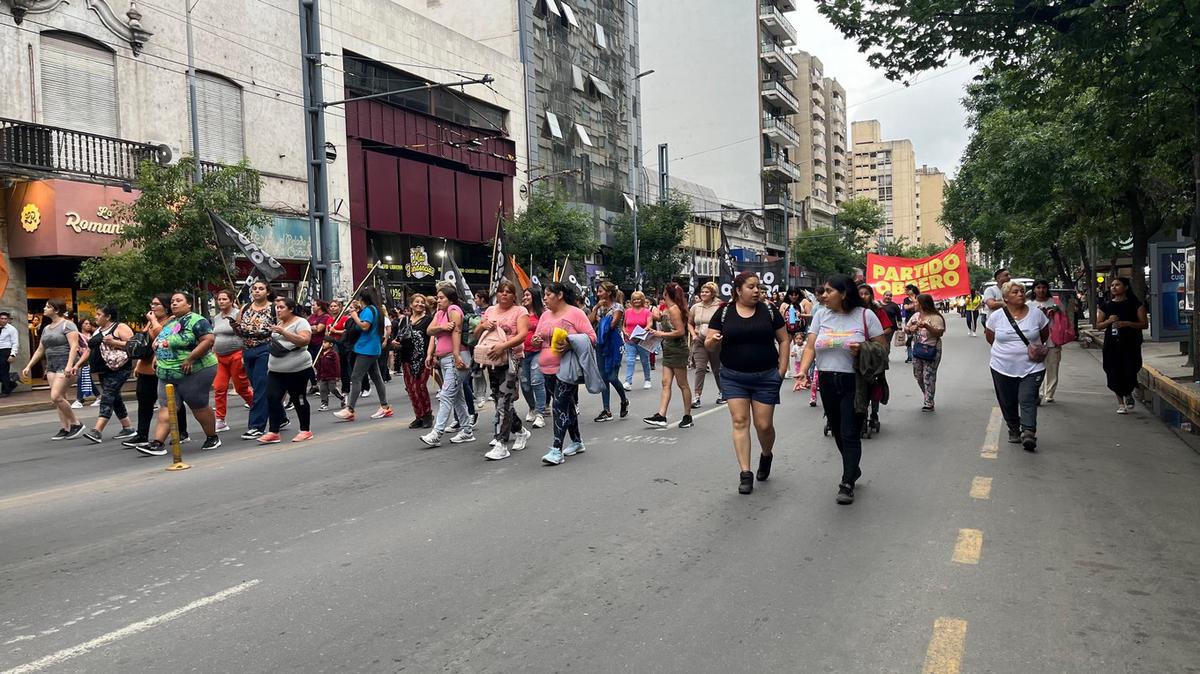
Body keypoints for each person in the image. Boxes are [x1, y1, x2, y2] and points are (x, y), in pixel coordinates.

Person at [795, 274, 886, 505]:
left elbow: (882, 348)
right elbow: (810, 347)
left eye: (828, 291)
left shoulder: (866, 315)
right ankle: (852, 467)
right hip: (826, 379)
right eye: (822, 292)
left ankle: (847, 482)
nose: (823, 295)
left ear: (844, 293)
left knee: (849, 431)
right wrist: (803, 372)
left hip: (854, 382)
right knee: (836, 429)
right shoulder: (821, 315)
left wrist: (863, 348)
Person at [706, 272, 788, 494]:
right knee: (740, 421)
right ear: (738, 290)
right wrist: (712, 341)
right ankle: (745, 473)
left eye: (758, 287)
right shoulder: (724, 313)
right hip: (733, 376)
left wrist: (781, 370)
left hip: (766, 377)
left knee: (763, 425)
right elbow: (709, 343)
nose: (756, 291)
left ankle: (766, 454)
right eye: (751, 287)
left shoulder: (769, 310)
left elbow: (784, 339)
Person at [135, 292, 222, 455]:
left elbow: (208, 340)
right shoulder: (173, 322)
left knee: (199, 406)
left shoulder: (197, 320)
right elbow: (167, 340)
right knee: (166, 407)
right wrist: (158, 357)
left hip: (195, 370)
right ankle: (157, 443)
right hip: (167, 372)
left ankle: (212, 437)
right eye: (173, 301)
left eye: (179, 301)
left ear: (189, 304)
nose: (174, 303)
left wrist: (190, 358)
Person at [533, 282, 596, 465]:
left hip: (567, 368)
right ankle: (577, 441)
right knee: (566, 405)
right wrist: (537, 340)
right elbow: (537, 338)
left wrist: (570, 343)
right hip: (546, 367)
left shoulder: (575, 313)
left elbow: (591, 338)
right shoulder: (545, 315)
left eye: (547, 294)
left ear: (559, 295)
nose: (544, 298)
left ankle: (556, 449)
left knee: (558, 405)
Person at [984, 280, 1050, 451]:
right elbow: (990, 337)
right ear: (1005, 298)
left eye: (1022, 291)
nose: (1020, 294)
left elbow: (1043, 335)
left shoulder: (1036, 314)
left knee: (1027, 398)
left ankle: (1028, 432)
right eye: (1015, 292)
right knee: (1007, 400)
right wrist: (1006, 353)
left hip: (1032, 366)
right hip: (1001, 366)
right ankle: (1014, 428)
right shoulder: (996, 316)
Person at [122, 295, 189, 447]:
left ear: (165, 307)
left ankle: (181, 432)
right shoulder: (150, 323)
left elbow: (163, 337)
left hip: (163, 367)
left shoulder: (173, 321)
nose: (153, 307)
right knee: (144, 401)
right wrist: (138, 363)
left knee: (172, 402)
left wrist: (153, 321)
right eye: (152, 303)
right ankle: (142, 434)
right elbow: (143, 343)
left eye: (157, 304)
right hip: (146, 367)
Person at [476, 280, 532, 460]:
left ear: (514, 296)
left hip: (511, 359)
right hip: (491, 360)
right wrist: (483, 326)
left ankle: (501, 443)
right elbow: (477, 333)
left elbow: (523, 335)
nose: (504, 294)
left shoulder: (520, 311)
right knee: (499, 399)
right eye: (501, 291)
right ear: (496, 294)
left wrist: (504, 346)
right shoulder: (490, 310)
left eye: (508, 292)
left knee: (504, 401)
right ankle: (520, 430)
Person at [419, 286, 476, 446]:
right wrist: (442, 328)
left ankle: (437, 433)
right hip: (445, 359)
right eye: (437, 298)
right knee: (457, 397)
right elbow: (430, 331)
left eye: (442, 297)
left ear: (450, 298)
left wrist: (457, 355)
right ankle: (467, 430)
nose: (438, 300)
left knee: (446, 395)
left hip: (455, 358)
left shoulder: (453, 309)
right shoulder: (439, 313)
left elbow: (456, 331)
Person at [22, 299, 85, 440]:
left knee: (55, 396)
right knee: (60, 398)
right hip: (51, 366)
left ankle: (76, 423)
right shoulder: (46, 328)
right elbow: (40, 349)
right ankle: (65, 427)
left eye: (47, 307)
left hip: (65, 365)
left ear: (56, 310)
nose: (44, 309)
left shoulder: (68, 325)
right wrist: (29, 365)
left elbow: (74, 346)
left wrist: (69, 365)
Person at [78, 305, 137, 444]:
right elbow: (88, 350)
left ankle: (97, 430)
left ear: (108, 316)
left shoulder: (120, 327)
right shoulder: (98, 330)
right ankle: (127, 427)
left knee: (107, 396)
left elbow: (134, 345)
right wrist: (76, 365)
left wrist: (114, 342)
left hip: (120, 369)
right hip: (104, 369)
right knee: (115, 397)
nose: (96, 317)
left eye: (99, 314)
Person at [259, 297, 314, 443]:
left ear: (291, 309)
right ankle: (273, 431)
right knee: (272, 398)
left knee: (298, 398)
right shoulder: (279, 323)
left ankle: (305, 429)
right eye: (277, 307)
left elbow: (304, 340)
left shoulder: (301, 322)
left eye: (281, 307)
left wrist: (284, 332)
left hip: (297, 369)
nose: (278, 309)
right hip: (276, 369)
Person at [334, 288, 392, 421]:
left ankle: (350, 409)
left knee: (356, 377)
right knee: (376, 377)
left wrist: (354, 316)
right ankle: (384, 406)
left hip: (366, 348)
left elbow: (364, 326)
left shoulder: (368, 310)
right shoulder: (376, 310)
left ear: (362, 299)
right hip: (372, 348)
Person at [642, 282, 694, 429]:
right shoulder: (668, 309)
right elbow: (663, 320)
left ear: (667, 294)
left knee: (682, 384)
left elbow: (680, 332)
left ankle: (687, 415)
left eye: (664, 292)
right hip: (669, 349)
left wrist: (661, 333)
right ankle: (661, 415)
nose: (662, 295)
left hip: (678, 349)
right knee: (666, 383)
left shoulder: (674, 309)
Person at [1097, 277, 1148, 414]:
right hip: (1112, 344)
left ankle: (1129, 391)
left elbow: (1144, 324)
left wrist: (1127, 324)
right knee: (1113, 371)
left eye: (1117, 285)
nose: (1113, 287)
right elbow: (1098, 325)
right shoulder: (1106, 306)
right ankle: (1121, 403)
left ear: (1125, 287)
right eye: (1112, 285)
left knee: (1130, 369)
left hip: (1130, 344)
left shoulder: (1135, 304)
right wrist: (1109, 321)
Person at [234, 281, 276, 440]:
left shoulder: (273, 308)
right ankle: (281, 416)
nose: (257, 291)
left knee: (260, 387)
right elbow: (239, 330)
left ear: (267, 291)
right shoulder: (245, 308)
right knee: (258, 385)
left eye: (261, 289)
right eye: (255, 289)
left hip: (265, 348)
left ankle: (256, 426)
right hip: (247, 350)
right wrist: (234, 325)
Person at [212, 289, 254, 433]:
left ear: (231, 300)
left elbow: (244, 333)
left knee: (241, 387)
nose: (221, 302)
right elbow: (215, 336)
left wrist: (244, 355)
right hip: (220, 356)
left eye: (224, 299)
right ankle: (220, 419)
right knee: (219, 388)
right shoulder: (217, 317)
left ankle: (258, 408)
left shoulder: (239, 314)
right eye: (219, 299)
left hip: (236, 354)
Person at [589, 280, 629, 422]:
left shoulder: (617, 307)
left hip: (613, 344)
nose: (598, 293)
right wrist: (595, 309)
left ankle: (624, 400)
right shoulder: (598, 307)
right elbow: (590, 321)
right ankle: (606, 410)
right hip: (601, 344)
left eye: (600, 291)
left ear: (609, 292)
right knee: (603, 377)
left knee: (612, 376)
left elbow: (612, 325)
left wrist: (603, 314)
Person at [394, 293, 434, 428]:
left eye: (422, 302)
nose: (419, 304)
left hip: (422, 359)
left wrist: (432, 355)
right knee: (411, 389)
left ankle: (428, 414)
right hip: (406, 358)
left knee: (420, 386)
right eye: (416, 302)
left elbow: (433, 339)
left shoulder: (429, 320)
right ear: (411, 305)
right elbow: (399, 338)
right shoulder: (404, 320)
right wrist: (395, 344)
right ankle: (419, 416)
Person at [905, 293, 946, 411]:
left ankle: (929, 402)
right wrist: (910, 329)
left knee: (928, 376)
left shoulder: (935, 317)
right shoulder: (916, 316)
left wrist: (927, 326)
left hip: (932, 350)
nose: (914, 304)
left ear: (923, 304)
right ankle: (927, 394)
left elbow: (939, 333)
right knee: (918, 376)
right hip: (918, 349)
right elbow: (906, 329)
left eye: (916, 302)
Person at [688, 282, 725, 408]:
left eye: (706, 292)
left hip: (715, 341)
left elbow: (725, 322)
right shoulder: (696, 307)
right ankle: (697, 396)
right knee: (700, 368)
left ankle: (722, 392)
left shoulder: (720, 306)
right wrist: (693, 334)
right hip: (699, 341)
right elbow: (689, 323)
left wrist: (721, 336)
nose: (703, 294)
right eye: (702, 292)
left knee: (717, 369)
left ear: (713, 293)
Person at [1029, 280, 1066, 403]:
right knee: (1035, 368)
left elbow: (1064, 319)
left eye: (1043, 287)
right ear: (1034, 289)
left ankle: (1049, 393)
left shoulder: (1055, 302)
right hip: (1035, 342)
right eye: (1038, 287)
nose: (1041, 290)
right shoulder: (1029, 304)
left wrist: (1055, 313)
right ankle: (1037, 393)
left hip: (1053, 340)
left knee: (1052, 367)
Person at [520, 287, 548, 429]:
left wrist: (541, 337)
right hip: (523, 353)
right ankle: (532, 407)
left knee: (537, 381)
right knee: (525, 384)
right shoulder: (520, 313)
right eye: (523, 295)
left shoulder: (543, 314)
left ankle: (540, 414)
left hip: (539, 352)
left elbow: (548, 329)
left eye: (527, 295)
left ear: (534, 297)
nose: (524, 297)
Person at [622, 291, 654, 390]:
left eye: (638, 299)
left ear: (642, 300)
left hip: (642, 339)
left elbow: (650, 323)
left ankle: (647, 380)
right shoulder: (627, 311)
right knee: (630, 361)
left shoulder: (647, 311)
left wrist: (643, 330)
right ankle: (628, 381)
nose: (636, 301)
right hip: (630, 340)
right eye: (634, 299)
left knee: (645, 361)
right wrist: (624, 332)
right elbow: (624, 325)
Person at [307, 300, 333, 391]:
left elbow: (319, 329)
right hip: (310, 343)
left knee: (320, 364)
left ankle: (326, 384)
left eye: (314, 305)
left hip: (320, 343)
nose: (312, 307)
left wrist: (310, 327)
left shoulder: (325, 317)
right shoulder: (312, 316)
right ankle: (314, 385)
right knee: (309, 364)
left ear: (319, 307)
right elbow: (305, 326)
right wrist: (313, 327)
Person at [71, 318, 96, 408]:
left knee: (82, 378)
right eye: (85, 323)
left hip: (89, 359)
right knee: (85, 378)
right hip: (81, 359)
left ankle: (79, 400)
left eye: (89, 323)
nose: (88, 325)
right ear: (81, 325)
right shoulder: (78, 336)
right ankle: (98, 397)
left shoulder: (92, 335)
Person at [0, 311, 18, 396]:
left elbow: (15, 343)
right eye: (2, 318)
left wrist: (12, 354)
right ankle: (11, 384)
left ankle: (5, 391)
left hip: (6, 351)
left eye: (5, 319)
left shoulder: (12, 329)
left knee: (4, 371)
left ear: (8, 320)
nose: (3, 320)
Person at [900, 284, 919, 363]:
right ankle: (909, 356)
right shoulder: (906, 299)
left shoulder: (918, 297)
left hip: (918, 321)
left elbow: (919, 306)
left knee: (917, 339)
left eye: (907, 290)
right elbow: (906, 307)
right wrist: (914, 305)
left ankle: (916, 356)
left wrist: (913, 303)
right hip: (908, 321)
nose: (906, 291)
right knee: (909, 339)